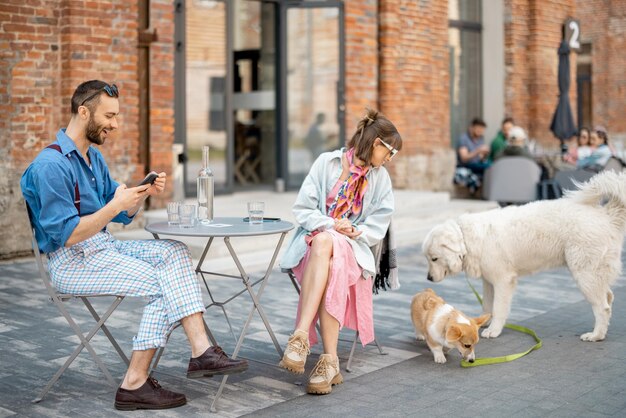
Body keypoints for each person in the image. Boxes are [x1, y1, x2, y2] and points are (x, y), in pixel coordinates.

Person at [20, 80, 247, 410]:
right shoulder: (50, 166)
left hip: (104, 247)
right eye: (109, 116)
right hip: (71, 261)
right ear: (84, 112)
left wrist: (140, 195)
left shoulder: (92, 159)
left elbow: (123, 212)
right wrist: (115, 206)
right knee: (161, 286)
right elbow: (68, 235)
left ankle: (201, 352)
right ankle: (134, 384)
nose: (115, 124)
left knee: (174, 251)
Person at [278, 108, 401, 395]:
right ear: (376, 144)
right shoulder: (326, 163)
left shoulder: (380, 179)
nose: (390, 160)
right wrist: (332, 224)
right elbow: (303, 209)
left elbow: (378, 225)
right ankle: (329, 361)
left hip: (353, 250)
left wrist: (355, 231)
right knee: (325, 247)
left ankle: (299, 338)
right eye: (390, 152)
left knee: (327, 243)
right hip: (313, 250)